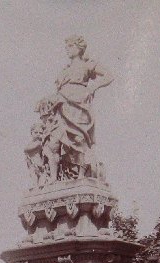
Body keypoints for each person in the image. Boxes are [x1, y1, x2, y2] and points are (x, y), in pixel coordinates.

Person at [53, 35, 113, 178]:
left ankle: (83, 172)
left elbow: (109, 75)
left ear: (79, 48)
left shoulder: (87, 64)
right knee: (61, 138)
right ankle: (69, 174)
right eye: (66, 47)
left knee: (79, 137)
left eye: (70, 46)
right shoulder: (65, 70)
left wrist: (92, 87)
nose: (67, 49)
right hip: (63, 105)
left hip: (79, 104)